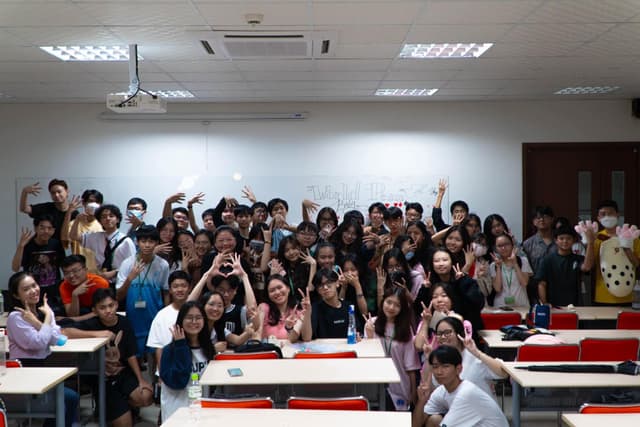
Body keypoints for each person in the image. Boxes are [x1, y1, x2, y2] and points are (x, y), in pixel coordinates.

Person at [64, 288, 153, 427]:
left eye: (111, 305)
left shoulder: (125, 322)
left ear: (116, 305)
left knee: (146, 396)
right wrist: (97, 334)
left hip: (123, 373)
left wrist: (141, 379)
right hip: (102, 379)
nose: (108, 311)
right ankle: (111, 408)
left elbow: (131, 354)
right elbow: (65, 331)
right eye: (102, 308)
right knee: (125, 425)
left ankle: (123, 406)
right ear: (95, 310)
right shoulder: (92, 324)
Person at [6, 272, 79, 427]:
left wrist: (39, 321)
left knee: (72, 397)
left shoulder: (44, 311)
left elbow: (58, 340)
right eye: (26, 289)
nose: (33, 291)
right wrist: (46, 320)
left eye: (34, 285)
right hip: (24, 372)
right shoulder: (16, 317)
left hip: (42, 369)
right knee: (63, 402)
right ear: (16, 295)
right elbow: (38, 343)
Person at [413, 345, 509, 427]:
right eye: (435, 367)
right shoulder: (441, 391)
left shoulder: (466, 393)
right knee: (434, 420)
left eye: (445, 366)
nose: (439, 372)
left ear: (458, 369)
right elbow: (415, 425)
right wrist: (421, 401)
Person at [116, 225, 170, 357]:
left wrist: (166, 316)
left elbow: (166, 292)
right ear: (137, 242)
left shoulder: (163, 265)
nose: (147, 245)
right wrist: (130, 278)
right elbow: (118, 296)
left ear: (157, 243)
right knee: (135, 354)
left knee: (156, 354)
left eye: (151, 241)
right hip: (133, 319)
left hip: (155, 317)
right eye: (143, 241)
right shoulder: (127, 264)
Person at [364, 287, 420, 411]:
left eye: (397, 305)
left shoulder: (406, 329)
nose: (391, 307)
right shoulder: (371, 324)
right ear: (383, 301)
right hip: (376, 381)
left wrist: (413, 393)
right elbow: (368, 359)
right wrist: (370, 337)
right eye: (389, 302)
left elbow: (410, 366)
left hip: (399, 384)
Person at [424, 316, 506, 399]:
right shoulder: (439, 359)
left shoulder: (474, 356)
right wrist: (428, 359)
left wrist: (478, 353)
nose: (443, 337)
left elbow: (503, 373)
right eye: (439, 333)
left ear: (459, 334)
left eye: (447, 332)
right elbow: (430, 387)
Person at [159, 301, 214, 422]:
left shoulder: (208, 348)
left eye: (198, 318)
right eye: (189, 317)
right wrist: (181, 347)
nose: (194, 322)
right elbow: (178, 382)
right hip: (177, 411)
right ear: (181, 321)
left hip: (201, 410)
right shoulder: (169, 350)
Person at [70, 203, 137, 285]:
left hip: (121, 282)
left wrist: (115, 272)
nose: (107, 219)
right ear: (100, 221)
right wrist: (77, 220)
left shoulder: (126, 241)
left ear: (118, 219)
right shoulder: (96, 237)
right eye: (103, 217)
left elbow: (133, 265)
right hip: (101, 281)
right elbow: (73, 236)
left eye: (111, 216)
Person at [11, 215, 66, 313]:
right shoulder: (28, 245)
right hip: (33, 293)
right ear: (36, 228)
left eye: (49, 228)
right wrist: (21, 246)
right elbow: (15, 268)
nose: (46, 231)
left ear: (53, 230)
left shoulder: (56, 244)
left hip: (53, 292)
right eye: (42, 227)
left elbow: (64, 266)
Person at [593, 199, 640, 304]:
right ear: (598, 218)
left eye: (610, 213)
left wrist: (626, 245)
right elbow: (591, 264)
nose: (607, 217)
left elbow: (636, 263)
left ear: (617, 215)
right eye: (603, 214)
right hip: (603, 296)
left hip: (627, 294)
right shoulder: (596, 238)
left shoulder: (631, 236)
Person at [536, 226, 594, 306]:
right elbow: (542, 284)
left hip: (575, 305)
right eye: (561, 238)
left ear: (574, 240)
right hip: (553, 305)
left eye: (568, 238)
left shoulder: (578, 258)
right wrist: (544, 303)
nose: (565, 241)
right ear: (556, 240)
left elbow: (586, 267)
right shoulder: (547, 260)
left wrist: (590, 243)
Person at [19, 178, 77, 243]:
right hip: (41, 246)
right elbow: (24, 209)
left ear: (67, 191)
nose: (56, 195)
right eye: (53, 193)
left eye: (59, 192)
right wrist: (24, 192)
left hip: (60, 246)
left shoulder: (74, 213)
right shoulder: (46, 207)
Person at [303, 268, 354, 340]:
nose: (325, 287)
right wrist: (307, 313)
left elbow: (357, 332)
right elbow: (306, 338)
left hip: (346, 346)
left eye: (328, 283)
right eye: (320, 285)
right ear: (317, 290)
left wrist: (358, 336)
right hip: (323, 347)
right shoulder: (315, 308)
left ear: (337, 283)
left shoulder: (349, 306)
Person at [60, 189, 104, 273]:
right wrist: (69, 213)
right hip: (80, 273)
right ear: (84, 203)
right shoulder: (74, 224)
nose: (94, 204)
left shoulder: (103, 224)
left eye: (97, 202)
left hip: (99, 272)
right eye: (90, 201)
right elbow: (65, 242)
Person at [256, 274, 306, 341]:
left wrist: (289, 328)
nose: (277, 292)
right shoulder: (263, 308)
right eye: (272, 290)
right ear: (268, 295)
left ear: (288, 288)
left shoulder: (297, 311)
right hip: (268, 347)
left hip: (289, 347)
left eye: (279, 288)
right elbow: (257, 334)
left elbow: (293, 339)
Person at [490, 233, 533, 308]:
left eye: (506, 244)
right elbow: (497, 288)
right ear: (496, 248)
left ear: (512, 245)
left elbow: (524, 283)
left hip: (522, 306)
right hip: (501, 307)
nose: (503, 248)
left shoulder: (523, 261)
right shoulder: (493, 265)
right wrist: (498, 267)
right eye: (499, 246)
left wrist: (515, 263)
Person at [522, 206, 556, 274]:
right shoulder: (527, 244)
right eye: (538, 217)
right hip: (535, 279)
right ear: (534, 222)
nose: (542, 220)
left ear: (552, 219)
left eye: (545, 217)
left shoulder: (560, 241)